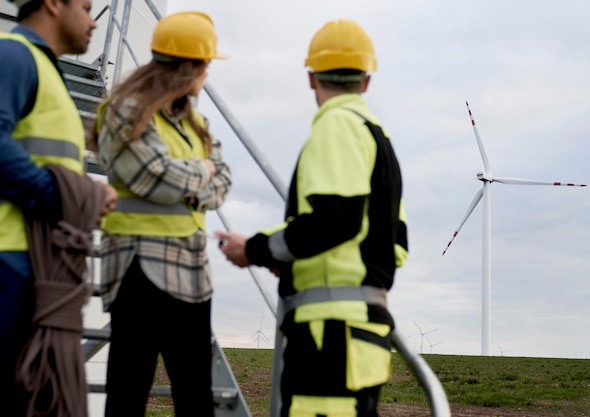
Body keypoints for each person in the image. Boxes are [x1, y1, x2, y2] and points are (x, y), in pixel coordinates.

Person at [216, 18, 409, 417]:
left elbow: (333, 222)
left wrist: (254, 250)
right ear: (367, 81)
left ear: (311, 78)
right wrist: (286, 257)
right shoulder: (380, 141)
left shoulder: (336, 126)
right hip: (362, 336)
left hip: (327, 337)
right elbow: (395, 245)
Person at [93, 10, 232, 417]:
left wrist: (195, 179)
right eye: (205, 66)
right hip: (138, 267)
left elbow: (223, 184)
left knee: (195, 398)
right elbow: (154, 176)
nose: (207, 75)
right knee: (128, 393)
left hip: (191, 271)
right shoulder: (125, 111)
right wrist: (201, 174)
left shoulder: (196, 123)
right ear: (189, 67)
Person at [0, 0, 117, 415]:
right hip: (10, 263)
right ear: (53, 4)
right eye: (86, 8)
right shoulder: (13, 55)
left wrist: (85, 194)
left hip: (38, 267)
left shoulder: (47, 73)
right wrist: (69, 198)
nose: (94, 22)